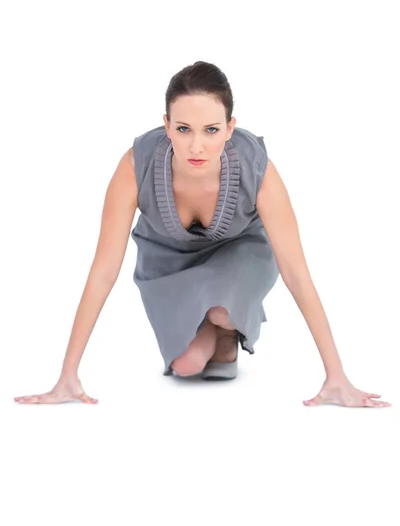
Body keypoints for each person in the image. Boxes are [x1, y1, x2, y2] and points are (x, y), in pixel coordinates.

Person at [14, 61, 391, 408]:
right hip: (166, 261)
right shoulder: (136, 164)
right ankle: (215, 331)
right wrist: (67, 373)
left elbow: (297, 273)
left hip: (241, 253)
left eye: (211, 130)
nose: (197, 145)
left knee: (221, 311)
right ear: (166, 125)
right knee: (187, 365)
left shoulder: (256, 168)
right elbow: (103, 270)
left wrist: (336, 374)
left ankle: (226, 326)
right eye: (183, 129)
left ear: (230, 126)